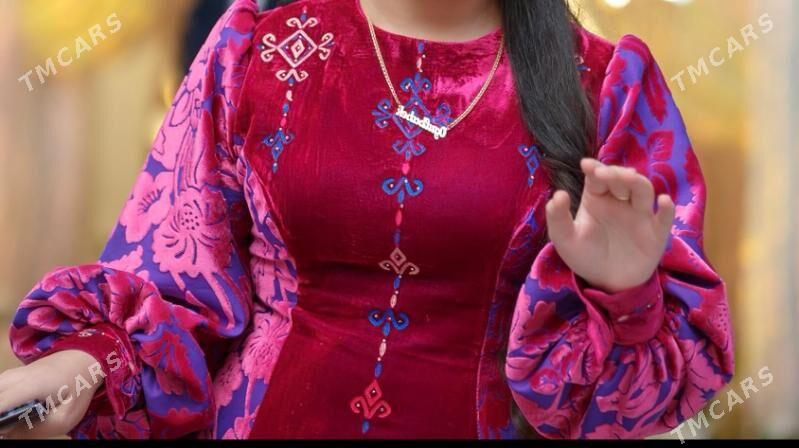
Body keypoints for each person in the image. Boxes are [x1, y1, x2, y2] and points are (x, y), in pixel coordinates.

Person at [0, 0, 734, 440]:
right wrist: (78, 369)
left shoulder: (606, 87)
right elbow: (171, 282)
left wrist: (625, 297)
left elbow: (628, 401)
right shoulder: (256, 52)